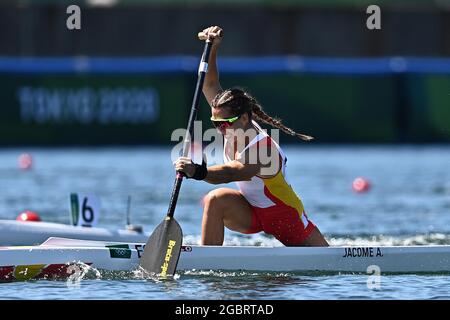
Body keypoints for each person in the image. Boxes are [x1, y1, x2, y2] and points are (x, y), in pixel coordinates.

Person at [174, 26, 328, 247]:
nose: (220, 129)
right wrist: (213, 48)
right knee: (215, 200)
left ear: (245, 118)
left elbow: (235, 171)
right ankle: (209, 262)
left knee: (316, 266)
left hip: (285, 218)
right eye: (215, 123)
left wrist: (196, 171)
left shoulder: (263, 149)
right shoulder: (227, 118)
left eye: (225, 123)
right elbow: (209, 84)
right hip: (251, 211)